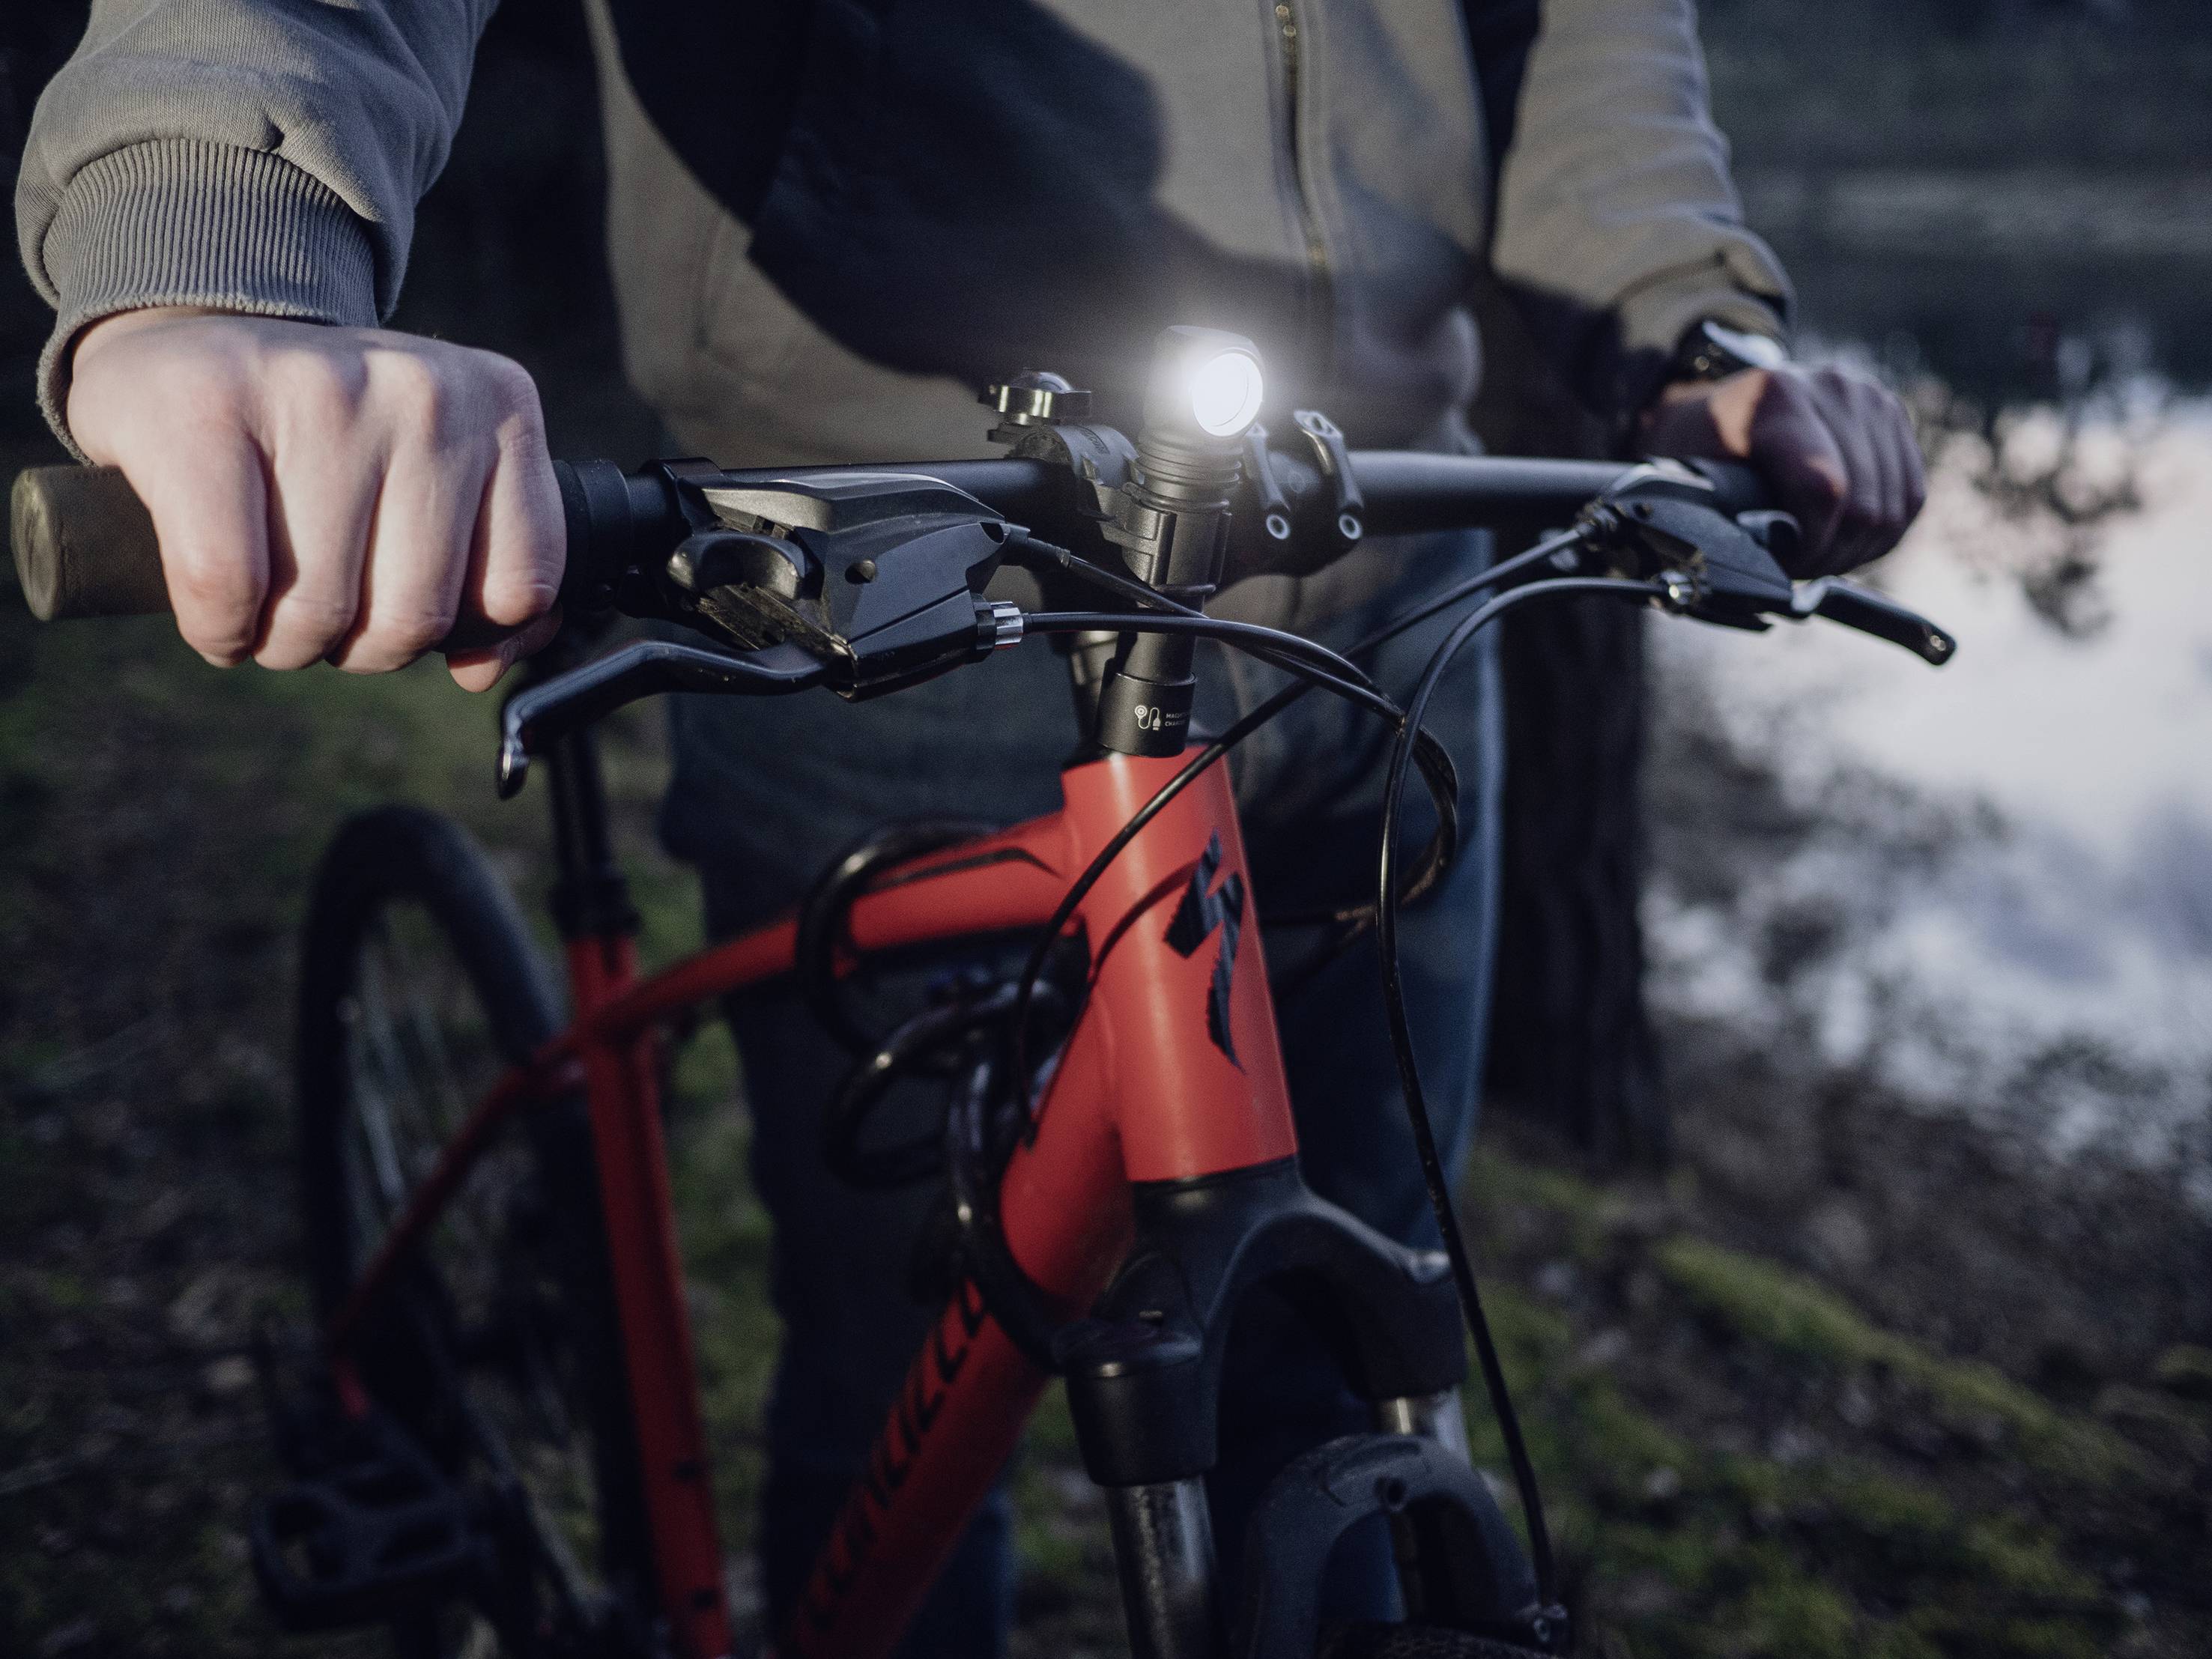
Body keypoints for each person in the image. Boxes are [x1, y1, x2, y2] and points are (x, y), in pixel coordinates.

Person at [17, 1, 1924, 1651]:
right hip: (901, 570)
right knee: (898, 1390)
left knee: (1346, 1359)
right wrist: (222, 232)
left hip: (1377, 588)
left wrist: (1687, 321)